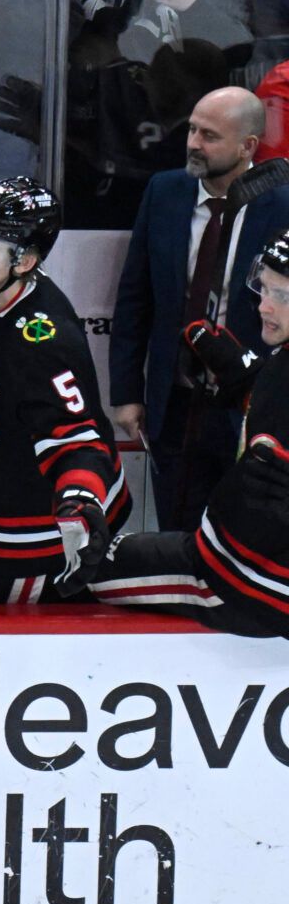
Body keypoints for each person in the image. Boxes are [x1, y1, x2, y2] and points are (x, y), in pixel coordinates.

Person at [0, 177, 130, 604]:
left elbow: (77, 441)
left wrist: (79, 500)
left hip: (36, 540)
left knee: (13, 666)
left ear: (25, 260)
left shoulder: (44, 343)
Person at [91, 228, 289, 639]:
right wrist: (246, 377)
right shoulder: (282, 361)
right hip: (251, 571)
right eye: (263, 288)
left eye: (282, 296)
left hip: (244, 587)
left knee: (89, 567)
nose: (264, 306)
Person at [111, 86, 289, 531]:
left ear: (247, 146)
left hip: (247, 404)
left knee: (241, 531)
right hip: (173, 402)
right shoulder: (164, 191)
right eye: (192, 129)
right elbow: (136, 297)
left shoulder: (283, 205)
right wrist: (128, 393)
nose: (192, 142)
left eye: (209, 135)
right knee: (177, 527)